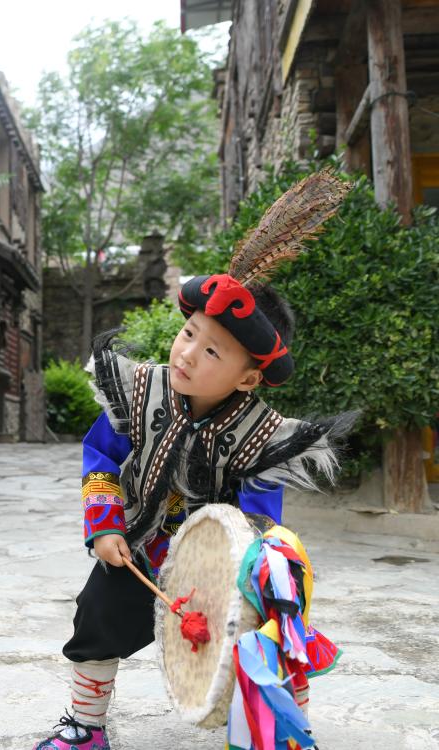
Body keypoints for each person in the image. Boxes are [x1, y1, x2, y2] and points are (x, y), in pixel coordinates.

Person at [34, 171, 353, 750]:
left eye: (211, 351)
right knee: (96, 615)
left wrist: (248, 574)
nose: (187, 353)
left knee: (266, 632)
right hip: (141, 544)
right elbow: (101, 458)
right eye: (187, 333)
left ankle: (280, 729)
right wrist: (104, 527)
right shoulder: (140, 393)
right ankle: (85, 727)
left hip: (220, 566)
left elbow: (260, 518)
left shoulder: (259, 435)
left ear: (248, 378)